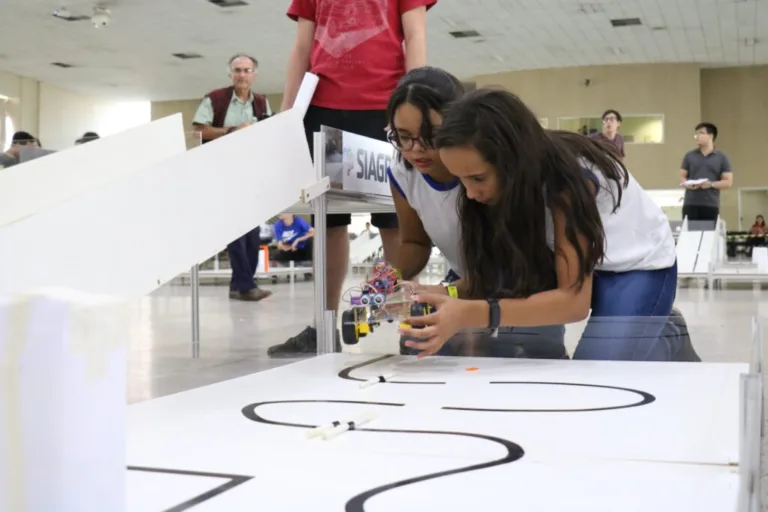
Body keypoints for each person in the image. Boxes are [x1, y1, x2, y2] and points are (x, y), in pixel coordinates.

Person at [399, 88, 686, 362]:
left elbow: (572, 303)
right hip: (580, 262)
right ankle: (645, 332)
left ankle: (666, 335)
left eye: (477, 178)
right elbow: (496, 277)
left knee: (597, 375)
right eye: (460, 179)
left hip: (635, 266)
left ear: (512, 161)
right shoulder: (497, 188)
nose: (470, 194)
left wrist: (470, 313)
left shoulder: (570, 181)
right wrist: (435, 292)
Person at [268, 0, 435, 356]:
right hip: (324, 108)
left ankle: (412, 322)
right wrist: (288, 110)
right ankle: (322, 324)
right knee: (328, 222)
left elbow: (415, 35)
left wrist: (412, 104)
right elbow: (302, 47)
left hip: (383, 107)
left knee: (396, 221)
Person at [386, 67, 566, 358]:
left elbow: (515, 260)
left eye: (430, 136)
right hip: (469, 275)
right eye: (403, 137)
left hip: (525, 274)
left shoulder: (487, 166)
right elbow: (414, 242)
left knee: (529, 352)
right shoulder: (402, 173)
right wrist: (389, 281)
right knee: (425, 346)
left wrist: (452, 294)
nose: (415, 150)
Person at [192, 54, 272, 302]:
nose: (242, 75)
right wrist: (232, 131)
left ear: (254, 74)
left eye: (246, 70)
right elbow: (198, 130)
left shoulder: (261, 102)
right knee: (236, 230)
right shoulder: (215, 99)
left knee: (252, 231)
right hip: (223, 172)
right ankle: (245, 285)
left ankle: (241, 284)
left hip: (251, 173)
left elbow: (270, 131)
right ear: (230, 73)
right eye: (237, 70)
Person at [679, 122, 733, 227]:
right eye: (696, 134)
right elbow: (682, 176)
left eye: (701, 133)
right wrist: (686, 184)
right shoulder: (689, 156)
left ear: (710, 136)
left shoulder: (722, 158)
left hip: (710, 205)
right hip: (690, 204)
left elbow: (728, 182)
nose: (697, 136)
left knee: (709, 238)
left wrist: (711, 184)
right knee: (690, 238)